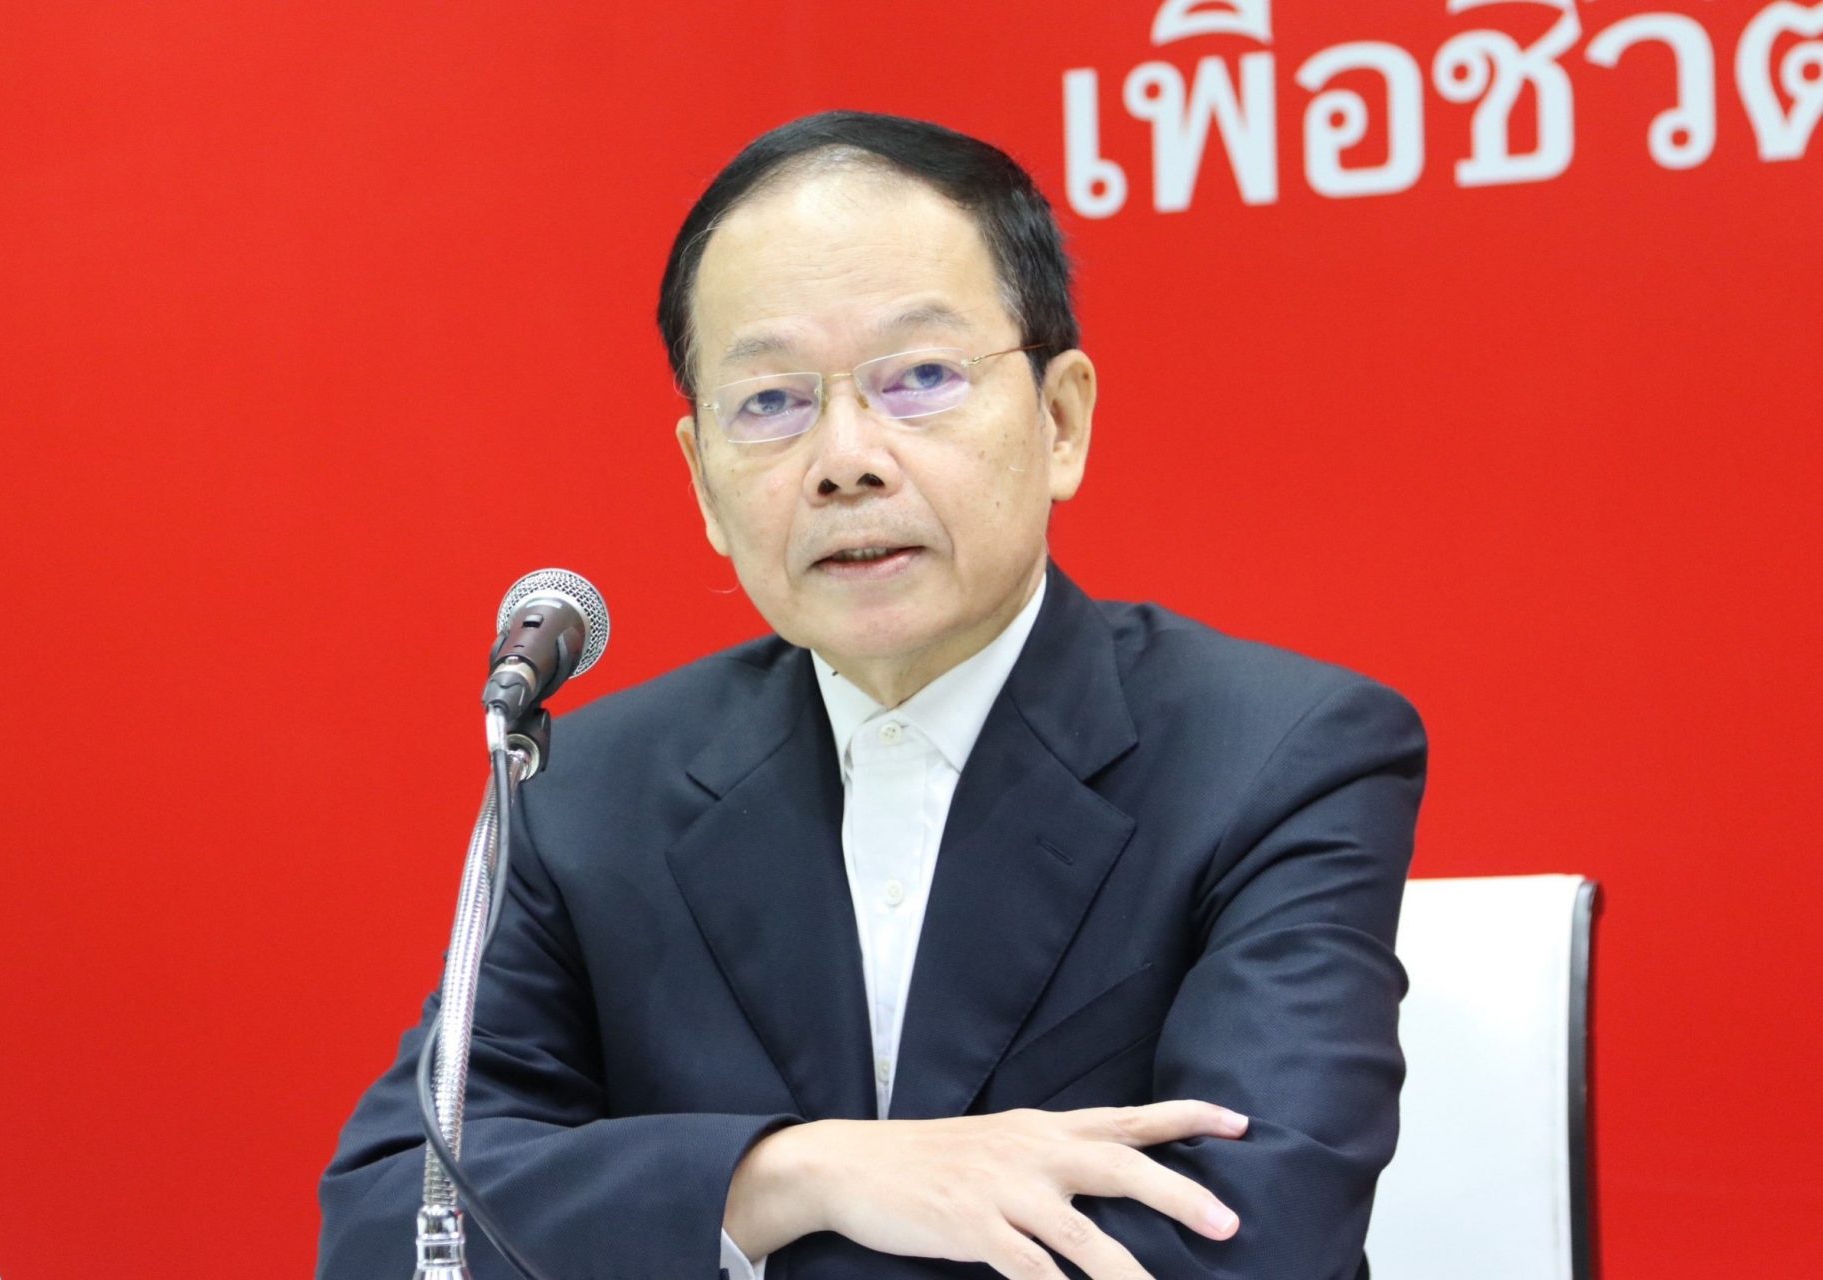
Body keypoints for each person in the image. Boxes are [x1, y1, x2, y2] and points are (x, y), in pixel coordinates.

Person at [318, 111, 1427, 1280]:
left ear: (1060, 420)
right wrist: (794, 1172)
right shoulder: (585, 791)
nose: (846, 458)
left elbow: (1247, 1240)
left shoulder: (1278, 753)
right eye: (771, 402)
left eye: (922, 377)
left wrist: (688, 1230)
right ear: (703, 483)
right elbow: (399, 1228)